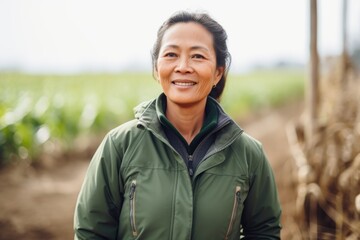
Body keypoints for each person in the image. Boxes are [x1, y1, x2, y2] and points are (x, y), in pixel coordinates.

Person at [74, 10, 282, 239]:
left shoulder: (248, 154)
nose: (183, 66)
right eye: (171, 54)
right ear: (156, 68)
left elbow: (264, 232)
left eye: (198, 56)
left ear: (217, 73)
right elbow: (91, 232)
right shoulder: (119, 146)